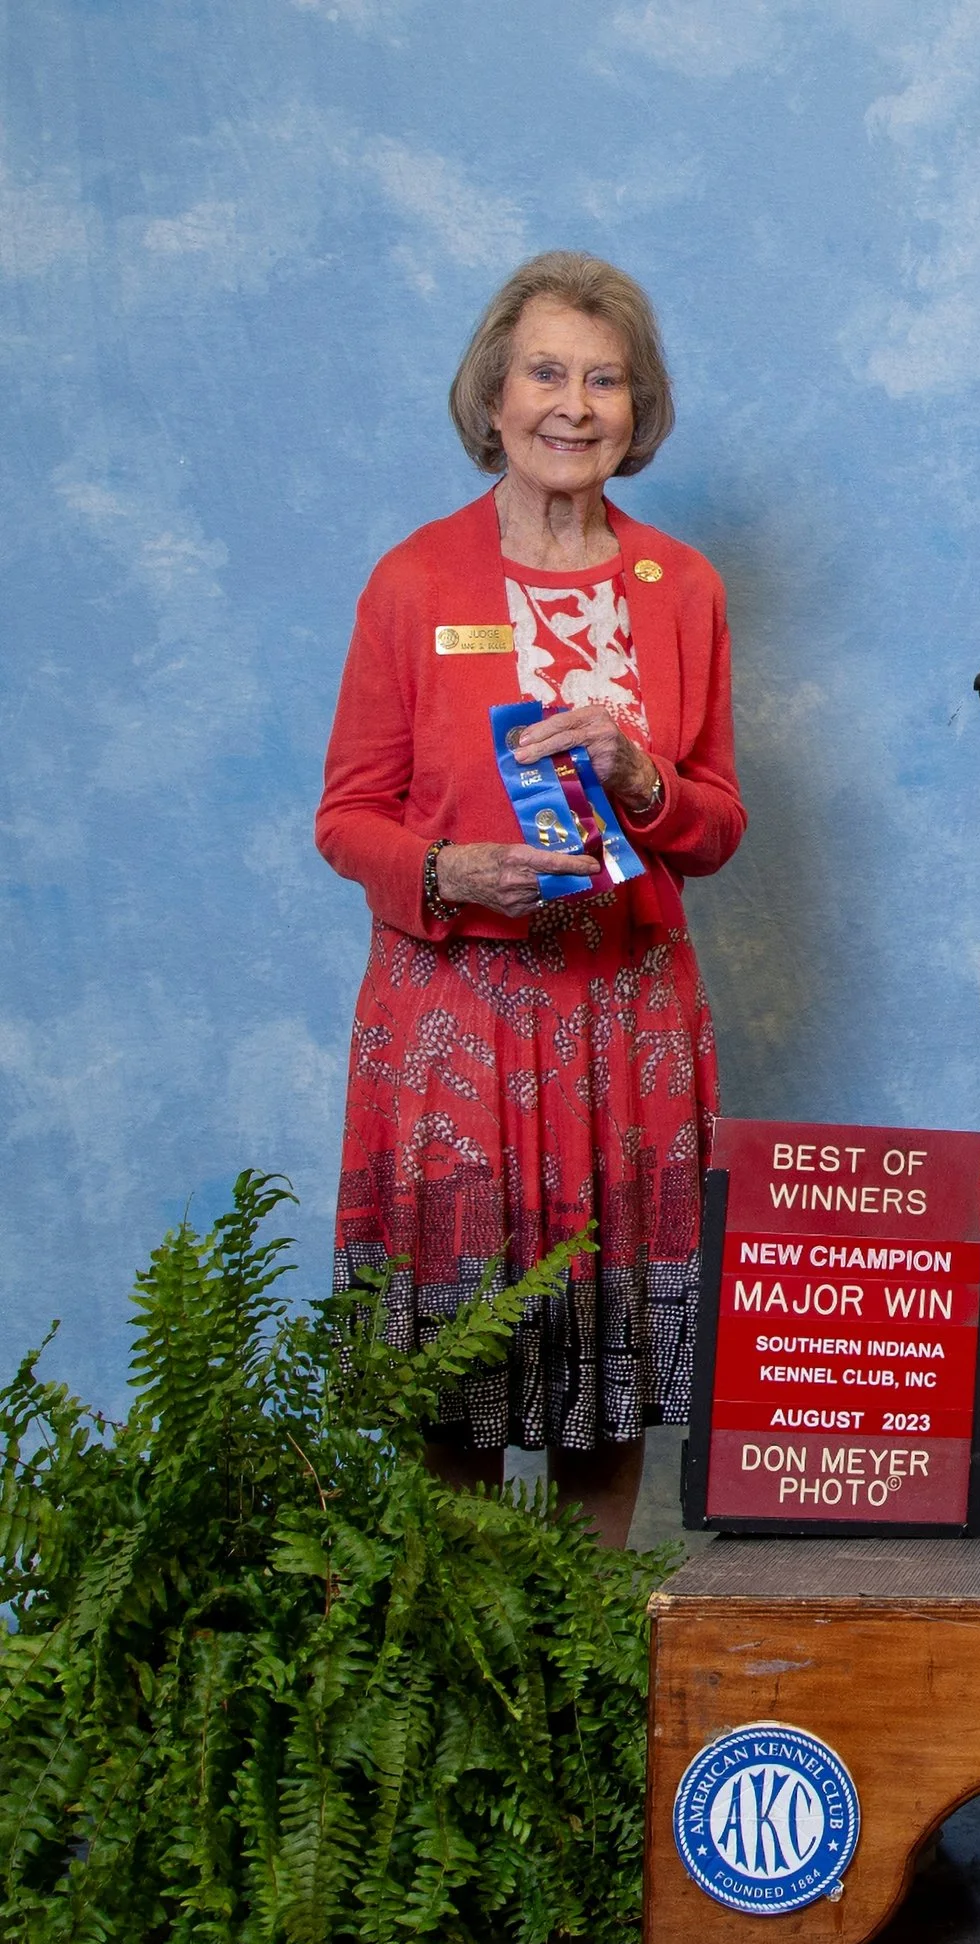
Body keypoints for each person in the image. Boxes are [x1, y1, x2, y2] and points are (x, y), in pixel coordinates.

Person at [316, 250, 744, 1546]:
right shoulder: (415, 581)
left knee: (606, 1394)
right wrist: (445, 875)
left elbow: (718, 825)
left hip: (627, 1026)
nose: (575, 404)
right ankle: (461, 1704)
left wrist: (644, 780)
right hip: (456, 1026)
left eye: (605, 379)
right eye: (547, 373)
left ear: (639, 407)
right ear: (493, 400)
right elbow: (345, 816)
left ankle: (581, 1678)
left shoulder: (683, 590)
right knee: (451, 1393)